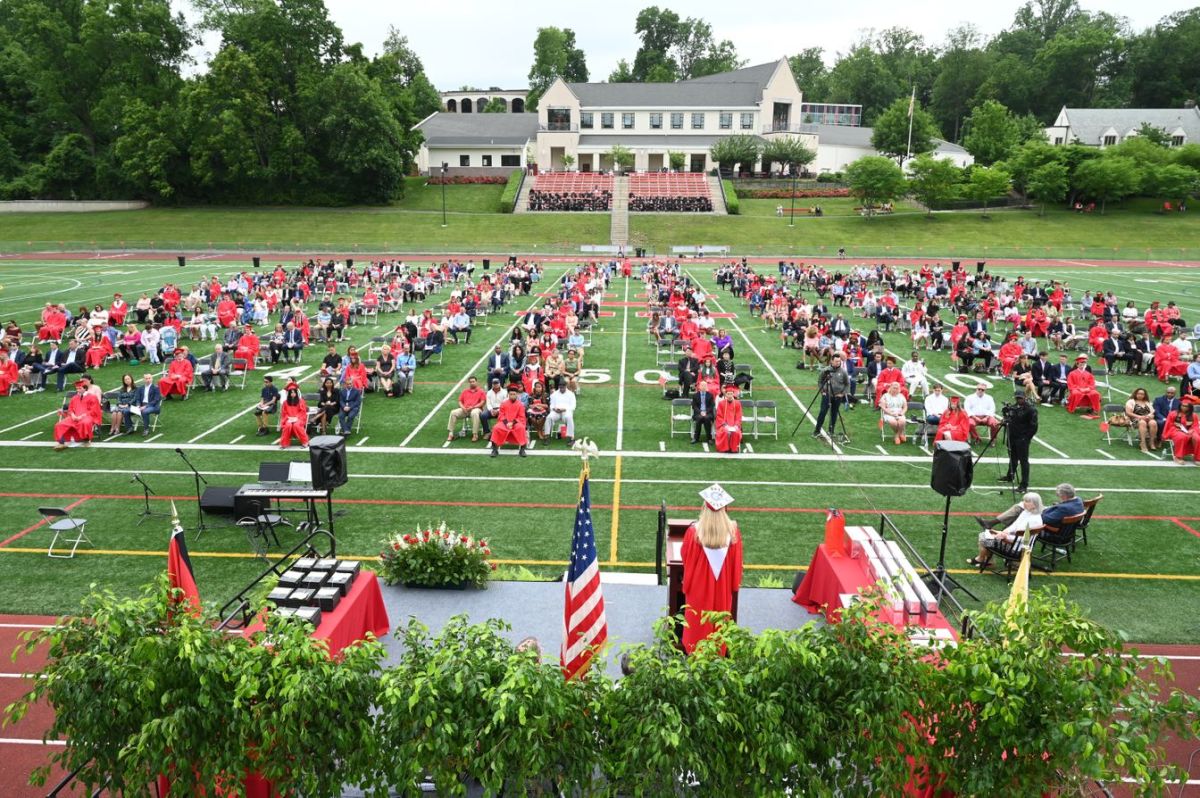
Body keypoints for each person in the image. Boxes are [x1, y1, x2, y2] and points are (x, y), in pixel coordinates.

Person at [681, 484, 743, 655]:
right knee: (718, 623)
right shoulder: (733, 532)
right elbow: (737, 565)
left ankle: (695, 655)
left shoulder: (694, 532)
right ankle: (717, 656)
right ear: (725, 508)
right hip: (722, 590)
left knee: (698, 623)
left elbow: (685, 558)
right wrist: (733, 585)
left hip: (698, 590)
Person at [970, 492, 1045, 567]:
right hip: (1015, 543)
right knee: (986, 535)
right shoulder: (1027, 512)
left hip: (1016, 549)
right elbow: (1015, 525)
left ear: (1034, 505)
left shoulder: (1034, 520)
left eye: (1027, 501)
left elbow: (1023, 539)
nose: (1023, 503)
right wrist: (1004, 532)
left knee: (983, 538)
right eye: (1024, 500)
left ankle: (983, 559)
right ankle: (986, 560)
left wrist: (1005, 537)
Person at [977, 483, 1084, 533]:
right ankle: (994, 524)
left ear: (1064, 496)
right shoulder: (1078, 501)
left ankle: (997, 528)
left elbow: (1046, 519)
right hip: (1063, 526)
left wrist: (1036, 511)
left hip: (1052, 529)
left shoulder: (1064, 508)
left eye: (1059, 496)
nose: (1059, 497)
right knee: (1020, 507)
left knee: (1020, 509)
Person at [999, 389, 1038, 491]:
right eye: (1017, 398)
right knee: (1012, 458)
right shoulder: (1014, 407)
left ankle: (1024, 484)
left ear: (1024, 397)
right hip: (1012, 437)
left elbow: (1034, 426)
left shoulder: (1031, 409)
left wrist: (1026, 438)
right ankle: (1010, 476)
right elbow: (1011, 419)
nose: (1018, 400)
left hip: (1022, 439)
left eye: (1020, 398)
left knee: (1024, 462)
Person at [53, 380, 101, 450]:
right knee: (60, 425)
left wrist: (82, 416)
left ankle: (86, 440)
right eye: (77, 388)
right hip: (74, 417)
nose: (78, 390)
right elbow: (70, 409)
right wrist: (72, 415)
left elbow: (93, 410)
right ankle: (61, 443)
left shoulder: (92, 397)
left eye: (80, 388)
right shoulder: (74, 398)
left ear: (85, 388)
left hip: (88, 416)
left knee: (85, 423)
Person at [812, 353, 850, 439]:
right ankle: (817, 431)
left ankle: (831, 430)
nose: (838, 363)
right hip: (827, 395)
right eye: (836, 361)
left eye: (839, 361)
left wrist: (842, 393)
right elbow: (820, 381)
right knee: (822, 412)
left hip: (837, 396)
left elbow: (847, 384)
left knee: (834, 414)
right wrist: (822, 391)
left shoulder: (843, 372)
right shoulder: (825, 370)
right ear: (832, 361)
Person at [489, 384, 528, 457]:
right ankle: (494, 449)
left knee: (521, 428)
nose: (512, 395)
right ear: (508, 395)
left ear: (517, 395)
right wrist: (507, 423)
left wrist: (512, 423)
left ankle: (522, 449)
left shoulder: (520, 405)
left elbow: (521, 417)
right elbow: (501, 415)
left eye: (514, 394)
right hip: (504, 423)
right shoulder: (504, 404)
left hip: (516, 423)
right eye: (511, 394)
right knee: (496, 428)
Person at [447, 376, 487, 443]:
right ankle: (450, 434)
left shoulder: (481, 391)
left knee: (474, 413)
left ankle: (475, 434)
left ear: (476, 382)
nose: (472, 383)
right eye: (470, 382)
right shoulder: (465, 391)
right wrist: (463, 407)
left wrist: (473, 407)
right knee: (453, 412)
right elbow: (460, 401)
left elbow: (482, 402)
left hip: (476, 409)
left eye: (473, 381)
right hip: (465, 409)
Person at [1162, 398, 1200, 464]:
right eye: (1182, 405)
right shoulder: (1173, 414)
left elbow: (1195, 426)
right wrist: (1177, 429)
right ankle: (1178, 457)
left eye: (1186, 406)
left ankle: (1197, 458)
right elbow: (1169, 425)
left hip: (1190, 431)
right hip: (1176, 430)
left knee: (1197, 438)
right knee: (1181, 437)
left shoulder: (1194, 415)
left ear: (1190, 407)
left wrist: (1192, 430)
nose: (1184, 407)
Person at [1124, 387, 1158, 453]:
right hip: (1135, 419)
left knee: (1153, 422)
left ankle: (1151, 442)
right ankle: (1143, 442)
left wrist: (1150, 416)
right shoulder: (1131, 401)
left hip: (1147, 418)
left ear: (1145, 395)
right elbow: (1128, 413)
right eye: (1139, 393)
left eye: (1142, 394)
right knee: (1142, 422)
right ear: (1135, 394)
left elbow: (1152, 412)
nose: (1140, 395)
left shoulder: (1148, 402)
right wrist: (1140, 417)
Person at [278, 381, 310, 449]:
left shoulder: (301, 401)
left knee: (296, 425)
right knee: (287, 426)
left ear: (296, 393)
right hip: (288, 419)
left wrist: (296, 418)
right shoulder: (285, 402)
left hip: (299, 419)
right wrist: (288, 418)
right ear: (288, 393)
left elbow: (303, 411)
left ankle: (305, 442)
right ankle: (284, 444)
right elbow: (284, 413)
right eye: (291, 392)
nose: (293, 394)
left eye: (294, 392)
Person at [714, 384, 743, 453]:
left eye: (731, 394)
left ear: (733, 394)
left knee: (736, 433)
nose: (730, 396)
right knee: (724, 432)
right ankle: (724, 448)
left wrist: (736, 425)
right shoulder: (721, 403)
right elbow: (719, 416)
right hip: (724, 425)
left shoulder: (737, 403)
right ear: (726, 395)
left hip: (734, 425)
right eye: (728, 394)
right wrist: (725, 425)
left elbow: (739, 416)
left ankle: (733, 449)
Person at [691, 378, 716, 444]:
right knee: (699, 418)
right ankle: (696, 438)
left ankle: (709, 438)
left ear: (707, 387)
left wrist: (706, 412)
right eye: (702, 385)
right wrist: (700, 412)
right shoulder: (695, 395)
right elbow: (694, 406)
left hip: (708, 413)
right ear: (699, 386)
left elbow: (712, 406)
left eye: (705, 385)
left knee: (707, 418)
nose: (703, 387)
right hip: (698, 413)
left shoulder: (710, 395)